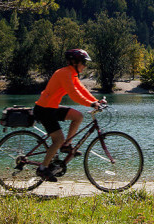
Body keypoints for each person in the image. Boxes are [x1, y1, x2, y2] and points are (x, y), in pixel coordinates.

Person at [32, 48, 105, 181]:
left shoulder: (72, 74)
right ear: (75, 62)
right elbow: (73, 94)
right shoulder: (64, 74)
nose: (85, 66)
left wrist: (95, 101)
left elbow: (81, 89)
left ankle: (67, 145)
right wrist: (90, 104)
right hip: (44, 110)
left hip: (51, 108)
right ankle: (43, 169)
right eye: (83, 62)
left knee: (78, 116)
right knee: (58, 139)